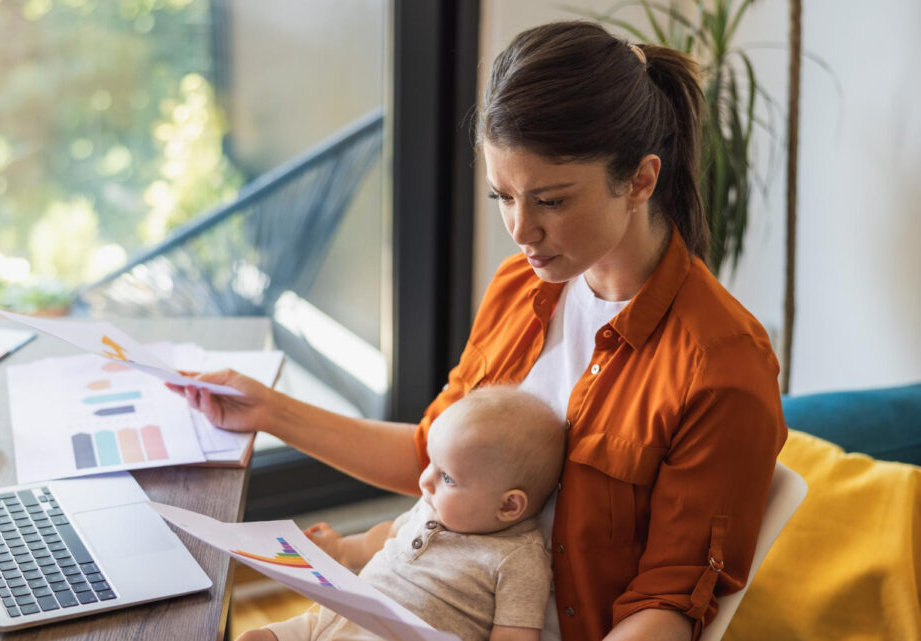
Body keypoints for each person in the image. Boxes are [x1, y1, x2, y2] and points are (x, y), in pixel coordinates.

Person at [169, 21, 786, 641]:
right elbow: (430, 454)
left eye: (551, 201)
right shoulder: (520, 289)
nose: (522, 230)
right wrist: (268, 411)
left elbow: (668, 609)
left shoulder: (721, 365)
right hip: (406, 607)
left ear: (641, 180)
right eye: (503, 197)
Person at [239, 386, 566, 641]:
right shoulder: (433, 504)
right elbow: (387, 535)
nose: (425, 481)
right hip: (334, 617)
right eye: (430, 463)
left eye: (447, 477)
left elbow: (514, 634)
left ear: (508, 506)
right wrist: (340, 549)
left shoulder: (519, 559)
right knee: (257, 636)